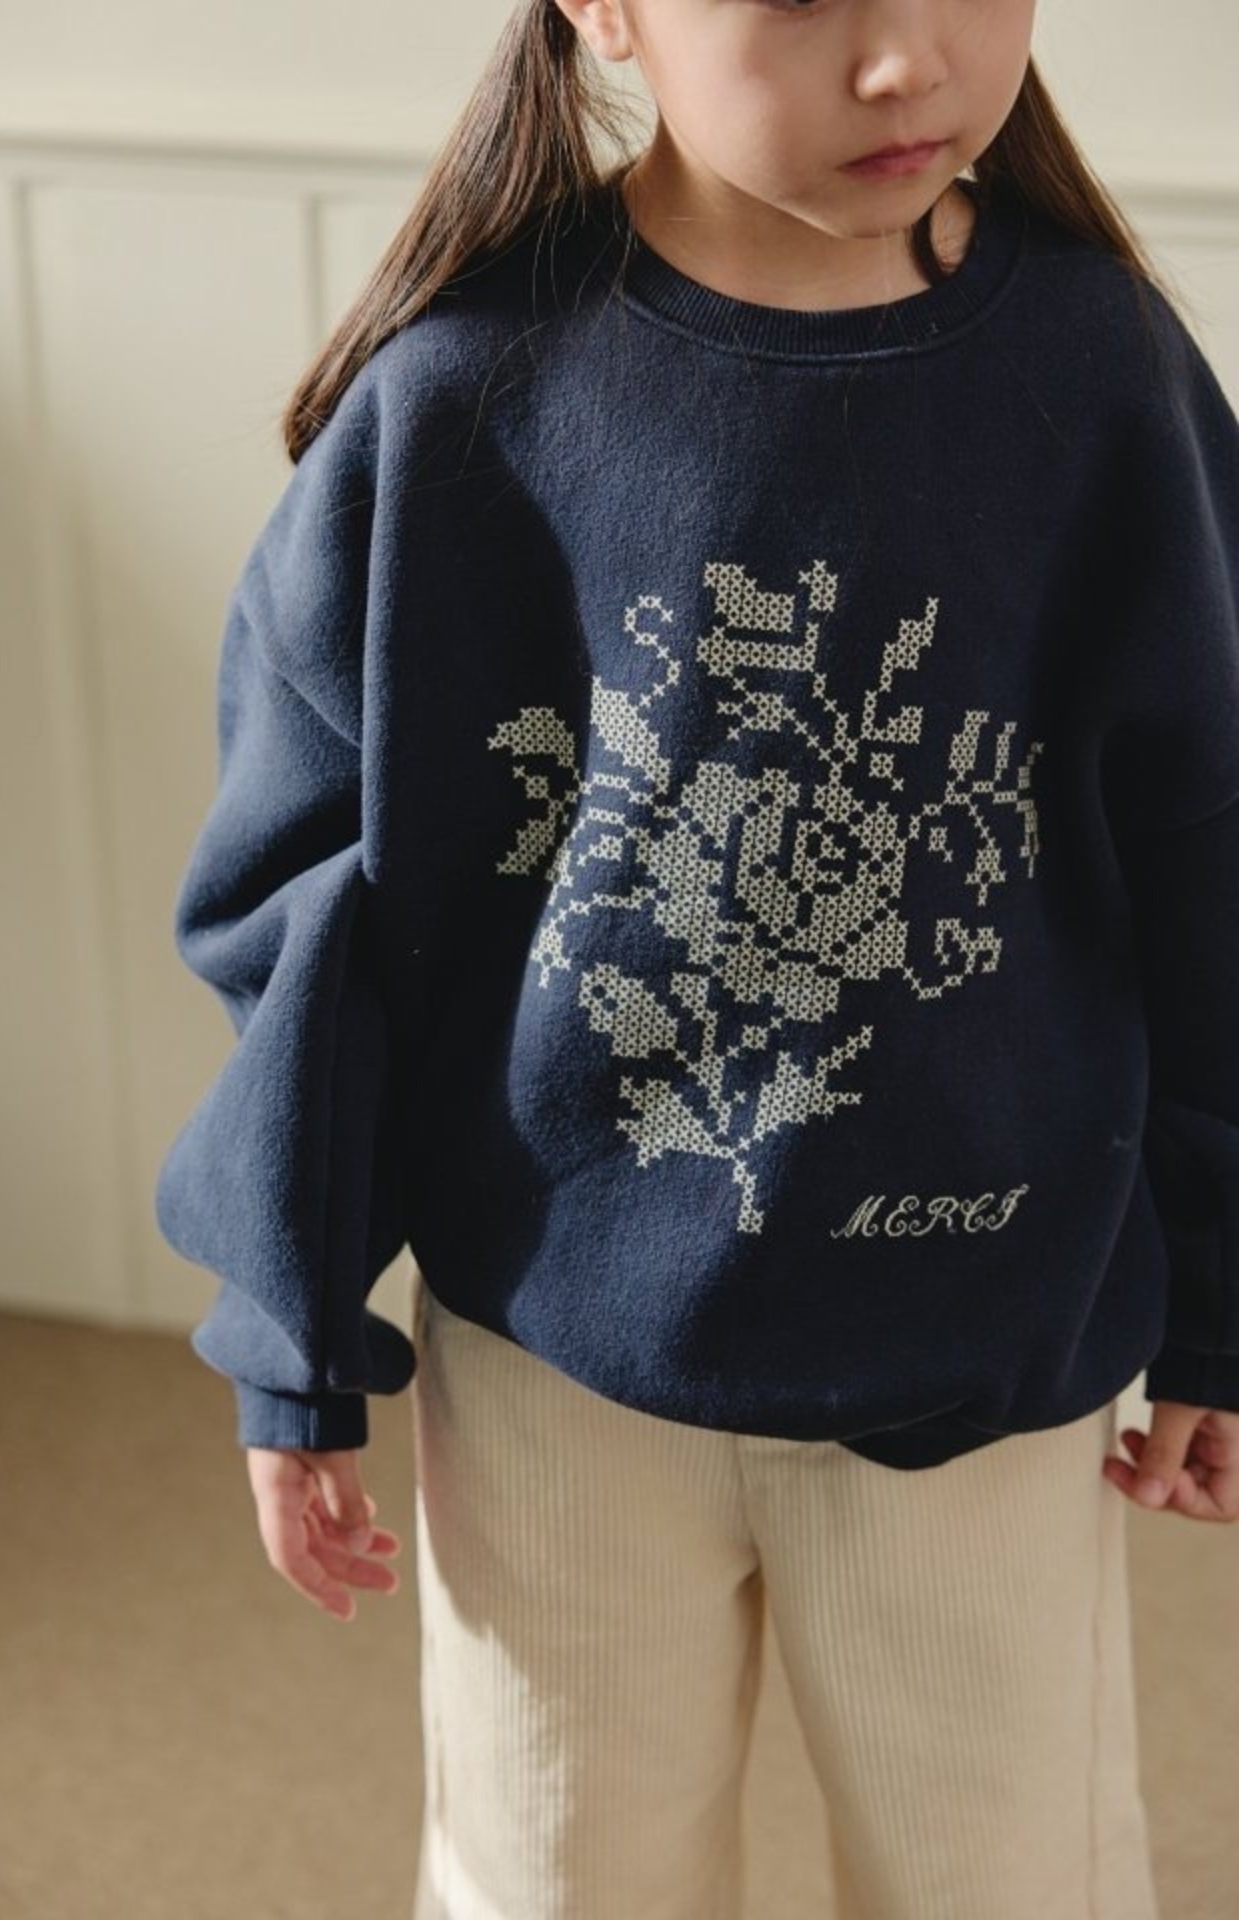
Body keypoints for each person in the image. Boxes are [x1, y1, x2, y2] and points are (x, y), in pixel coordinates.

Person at [155, 0, 1239, 1912]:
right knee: (552, 1879)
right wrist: (291, 1323)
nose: (905, 61)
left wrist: (1225, 1295)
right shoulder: (459, 396)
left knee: (1013, 1882)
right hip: (557, 1368)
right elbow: (315, 905)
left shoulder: (1105, 377)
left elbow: (1214, 864)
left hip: (989, 1346)